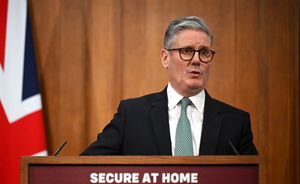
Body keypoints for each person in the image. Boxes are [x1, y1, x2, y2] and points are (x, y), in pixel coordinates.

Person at [81, 16, 257, 156]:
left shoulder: (236, 122)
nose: (196, 60)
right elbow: (87, 167)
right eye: (186, 51)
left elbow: (253, 182)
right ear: (165, 58)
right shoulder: (132, 115)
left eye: (204, 52)